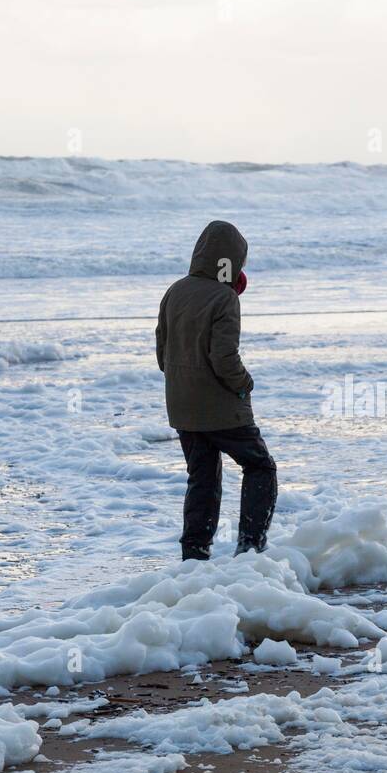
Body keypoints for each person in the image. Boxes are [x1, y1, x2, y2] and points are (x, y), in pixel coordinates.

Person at [155, 221, 277, 560]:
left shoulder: (175, 290)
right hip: (221, 408)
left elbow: (162, 352)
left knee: (202, 478)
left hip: (182, 406)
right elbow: (224, 359)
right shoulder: (224, 297)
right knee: (260, 467)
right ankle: (251, 548)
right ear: (233, 261)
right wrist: (244, 384)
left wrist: (185, 383)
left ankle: (194, 554)